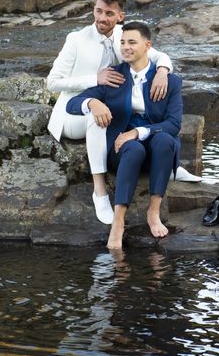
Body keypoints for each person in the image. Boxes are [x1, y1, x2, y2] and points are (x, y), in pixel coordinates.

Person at [46, 0, 198, 226]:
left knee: (141, 124)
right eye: (98, 11)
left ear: (120, 16)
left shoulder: (123, 36)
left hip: (112, 107)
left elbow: (158, 54)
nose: (101, 18)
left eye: (108, 13)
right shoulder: (76, 39)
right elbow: (52, 82)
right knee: (97, 120)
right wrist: (95, 80)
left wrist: (162, 72)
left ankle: (168, 165)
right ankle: (100, 190)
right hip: (73, 111)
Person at [67, 21, 182, 248]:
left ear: (147, 45)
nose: (125, 47)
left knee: (165, 140)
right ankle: (118, 223)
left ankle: (153, 212)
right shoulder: (114, 77)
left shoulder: (170, 81)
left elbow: (174, 124)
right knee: (133, 147)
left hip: (156, 147)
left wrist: (138, 131)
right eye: (122, 42)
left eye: (132, 42)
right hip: (123, 151)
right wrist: (92, 102)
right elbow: (72, 103)